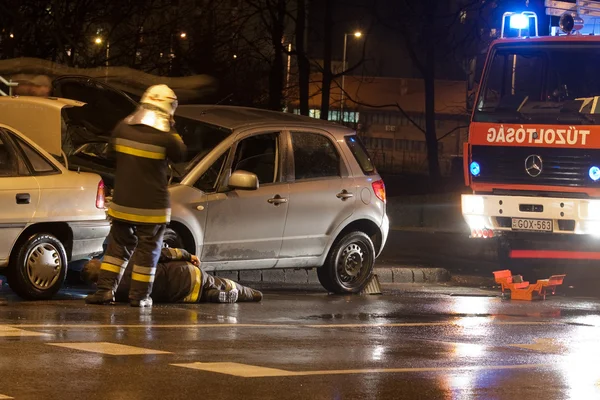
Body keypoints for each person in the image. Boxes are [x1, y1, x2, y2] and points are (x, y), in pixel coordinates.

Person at [85, 84, 187, 308]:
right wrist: (172, 127)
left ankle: (104, 291)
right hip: (152, 208)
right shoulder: (166, 136)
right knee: (147, 252)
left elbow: (110, 154)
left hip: (123, 204)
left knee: (116, 249)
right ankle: (139, 297)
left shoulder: (123, 127)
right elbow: (181, 154)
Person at [82, 248, 263, 304]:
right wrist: (187, 255)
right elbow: (165, 253)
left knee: (204, 296)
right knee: (221, 283)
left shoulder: (116, 294)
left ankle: (214, 296)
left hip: (184, 295)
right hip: (186, 272)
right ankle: (251, 293)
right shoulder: (130, 258)